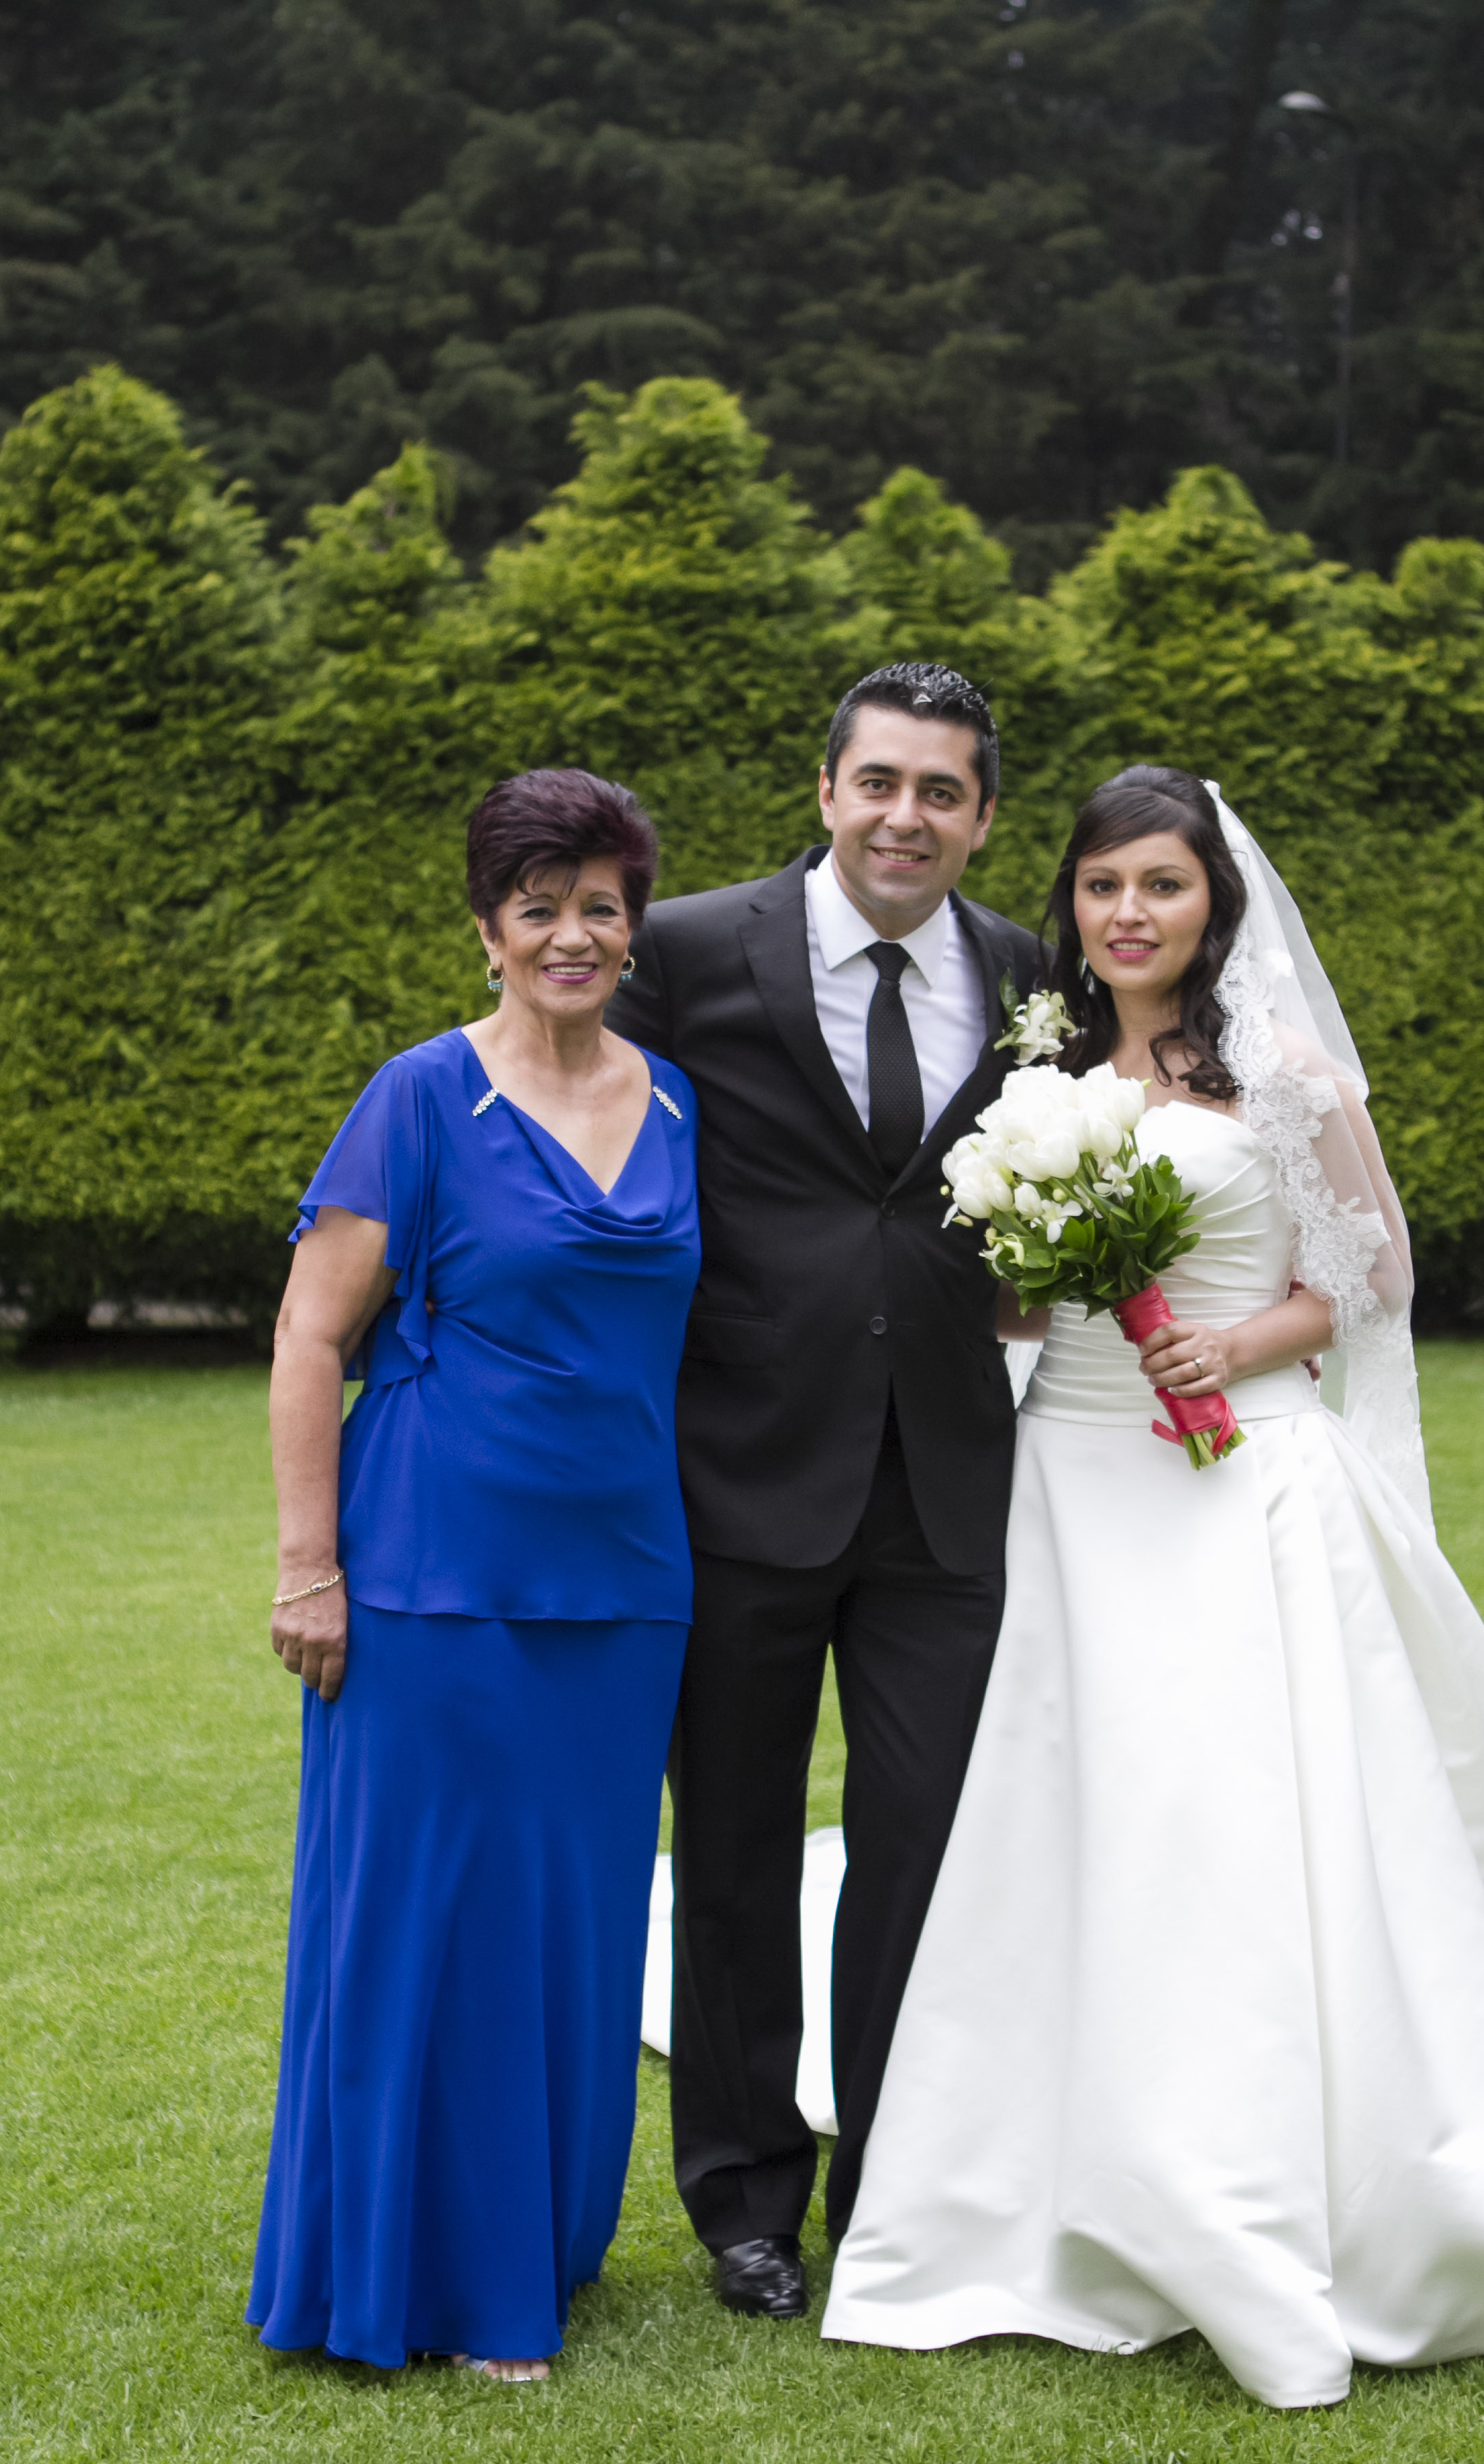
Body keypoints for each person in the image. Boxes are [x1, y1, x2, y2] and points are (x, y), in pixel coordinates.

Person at [823, 765, 1484, 2408]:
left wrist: (1229, 1346)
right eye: (1103, 885)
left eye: (1161, 885)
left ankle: (1279, 2159)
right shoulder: (1041, 1073)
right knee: (1072, 1799)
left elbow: (1368, 1278)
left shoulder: (1290, 1078)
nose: (1129, 914)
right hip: (1071, 1478)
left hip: (1238, 1475)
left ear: (1214, 902)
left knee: (1237, 1808)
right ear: (1071, 904)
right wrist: (1036, 1274)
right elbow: (1022, 1306)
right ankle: (1049, 2151)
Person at [246, 767, 698, 2384]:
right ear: (488, 932)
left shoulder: (676, 1100)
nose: (573, 935)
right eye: (539, 908)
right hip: (433, 1574)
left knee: (575, 1924)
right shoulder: (421, 1096)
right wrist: (310, 1568)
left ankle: (539, 2248)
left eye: (600, 908)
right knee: (432, 1919)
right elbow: (311, 1334)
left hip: (626, 1584)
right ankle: (415, 2279)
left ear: (632, 930)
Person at [605, 661, 1042, 2317]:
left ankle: (895, 2192)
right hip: (739, 1470)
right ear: (826, 789)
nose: (904, 818)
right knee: (731, 1850)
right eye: (880, 783)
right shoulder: (689, 951)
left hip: (948, 1485)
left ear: (981, 818)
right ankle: (744, 2203)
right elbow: (600, 1154)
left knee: (924, 1848)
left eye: (941, 793)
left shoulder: (1028, 973)